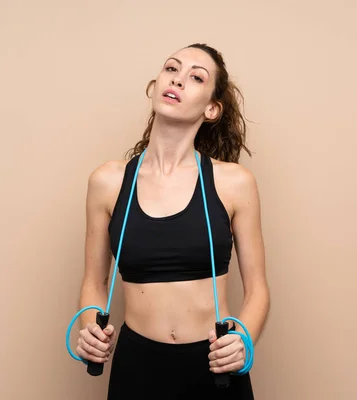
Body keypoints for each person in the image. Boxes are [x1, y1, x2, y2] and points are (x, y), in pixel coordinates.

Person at [75, 43, 270, 399]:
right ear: (156, 85)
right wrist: (90, 327)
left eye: (196, 77)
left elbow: (258, 290)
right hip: (137, 368)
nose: (178, 80)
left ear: (212, 108)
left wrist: (244, 340)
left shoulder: (234, 183)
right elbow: (93, 281)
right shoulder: (107, 181)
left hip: (215, 368)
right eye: (171, 69)